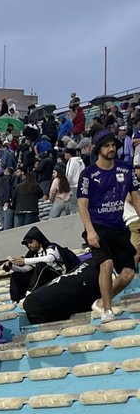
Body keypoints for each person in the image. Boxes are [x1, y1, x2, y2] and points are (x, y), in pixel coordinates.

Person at [78, 132, 140, 323]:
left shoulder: (126, 169)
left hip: (119, 226)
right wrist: (89, 230)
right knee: (107, 264)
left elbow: (136, 197)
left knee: (129, 272)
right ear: (98, 149)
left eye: (113, 145)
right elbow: (82, 205)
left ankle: (101, 301)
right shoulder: (88, 174)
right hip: (98, 226)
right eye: (106, 145)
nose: (111, 149)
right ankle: (107, 311)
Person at [5, 226, 80, 302]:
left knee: (41, 265)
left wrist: (25, 261)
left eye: (31, 242)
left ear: (39, 240)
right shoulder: (34, 254)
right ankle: (16, 300)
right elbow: (26, 269)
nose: (29, 245)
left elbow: (50, 258)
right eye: (27, 244)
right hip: (42, 278)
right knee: (16, 275)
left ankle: (29, 294)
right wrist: (12, 267)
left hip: (58, 276)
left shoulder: (51, 247)